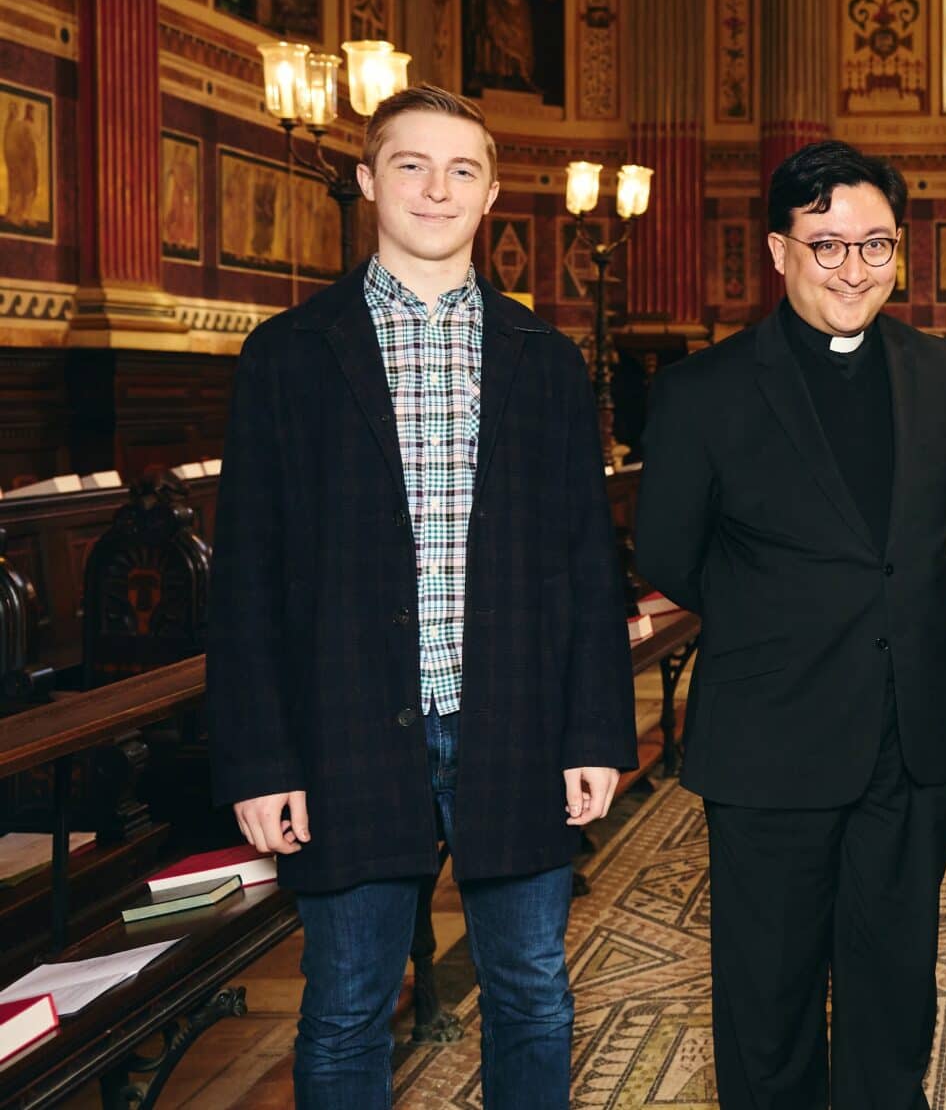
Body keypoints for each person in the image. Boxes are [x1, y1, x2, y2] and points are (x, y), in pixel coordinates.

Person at [208, 84, 636, 1109]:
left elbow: (587, 561)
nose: (435, 189)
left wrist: (595, 731)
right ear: (365, 179)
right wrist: (263, 758)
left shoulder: (543, 357)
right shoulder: (288, 357)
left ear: (491, 192)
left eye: (461, 170)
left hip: (514, 724)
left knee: (532, 990)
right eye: (410, 164)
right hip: (347, 727)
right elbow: (247, 577)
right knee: (349, 1005)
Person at [635, 141, 946, 1110]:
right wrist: (778, 613)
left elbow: (928, 531)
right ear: (779, 251)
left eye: (875, 244)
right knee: (770, 985)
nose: (853, 268)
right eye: (827, 245)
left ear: (901, 252)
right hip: (773, 729)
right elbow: (669, 549)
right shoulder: (705, 390)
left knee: (893, 975)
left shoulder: (943, 373)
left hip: (912, 726)